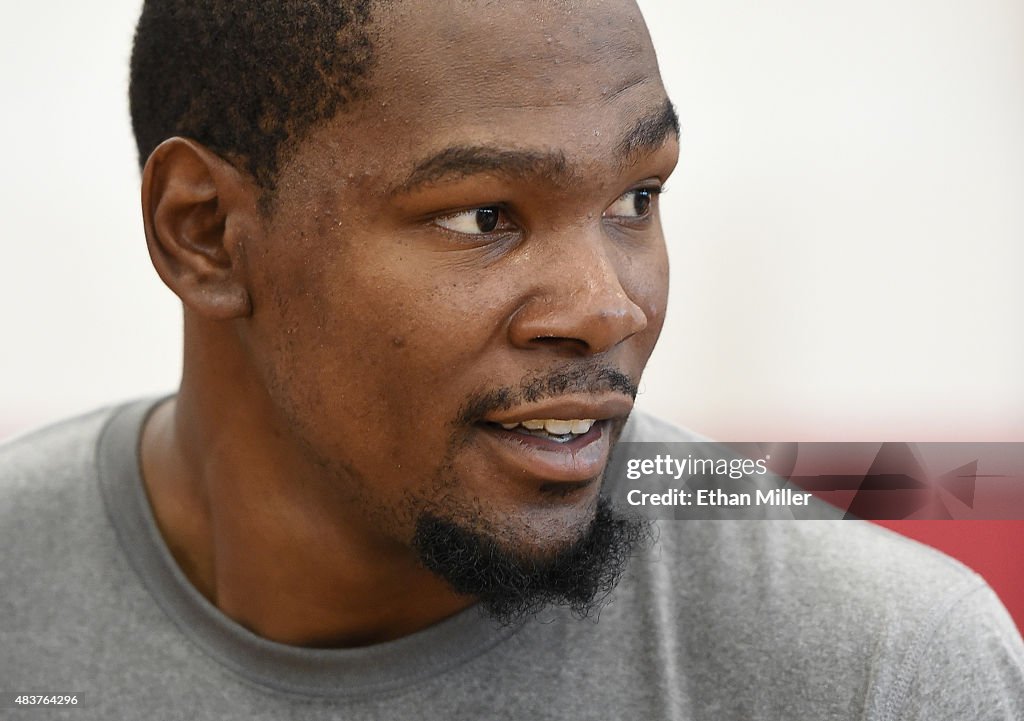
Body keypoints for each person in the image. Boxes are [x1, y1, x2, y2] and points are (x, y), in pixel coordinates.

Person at [2, 1, 1021, 718]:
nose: (607, 306)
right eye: (483, 215)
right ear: (207, 233)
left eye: (637, 197)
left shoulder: (882, 671)